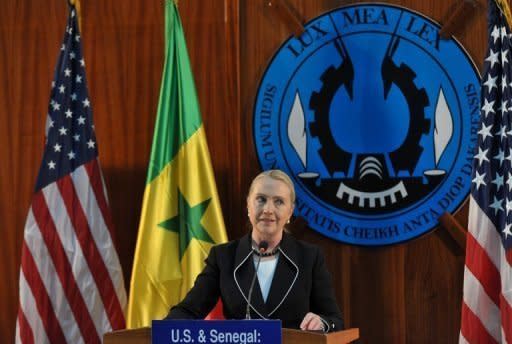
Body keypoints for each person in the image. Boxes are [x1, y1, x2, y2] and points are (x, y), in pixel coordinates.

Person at [165, 170, 343, 332]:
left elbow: (334, 319)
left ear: (290, 211)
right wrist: (158, 332)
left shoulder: (309, 257)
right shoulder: (223, 257)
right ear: (248, 205)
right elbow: (189, 310)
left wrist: (322, 322)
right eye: (261, 199)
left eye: (279, 202)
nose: (268, 209)